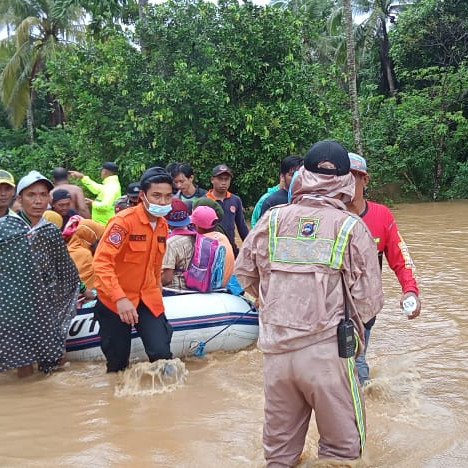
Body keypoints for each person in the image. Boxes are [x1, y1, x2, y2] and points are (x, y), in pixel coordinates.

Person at [235, 140, 384, 465]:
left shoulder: (271, 221)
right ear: (346, 181)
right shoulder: (350, 228)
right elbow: (369, 302)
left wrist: (272, 303)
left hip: (275, 355)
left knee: (279, 454)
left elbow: (244, 273)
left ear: (302, 175)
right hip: (328, 356)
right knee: (342, 453)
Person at [347, 152, 421, 385]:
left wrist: (410, 290)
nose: (346, 184)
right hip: (329, 306)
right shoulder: (328, 216)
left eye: (353, 177)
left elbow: (401, 258)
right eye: (341, 177)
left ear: (365, 180)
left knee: (356, 363)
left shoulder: (381, 216)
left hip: (364, 308)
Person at [92, 167, 174, 372]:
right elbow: (102, 262)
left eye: (167, 196)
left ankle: (164, 402)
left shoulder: (163, 226)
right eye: (156, 196)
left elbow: (155, 266)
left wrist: (157, 292)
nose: (163, 202)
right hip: (115, 300)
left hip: (147, 298)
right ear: (142, 196)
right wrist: (119, 298)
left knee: (162, 354)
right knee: (118, 364)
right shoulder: (123, 223)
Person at [4, 170, 79, 376]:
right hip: (14, 305)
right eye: (31, 195)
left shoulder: (51, 231)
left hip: (46, 302)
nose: (38, 201)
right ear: (19, 198)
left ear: (49, 198)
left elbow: (64, 268)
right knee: (23, 362)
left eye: (43, 195)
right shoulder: (6, 228)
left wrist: (81, 288)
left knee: (56, 358)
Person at [206, 164, 249, 256]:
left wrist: (250, 246)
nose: (223, 182)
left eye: (226, 179)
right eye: (220, 179)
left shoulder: (235, 200)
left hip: (230, 249)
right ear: (212, 180)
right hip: (210, 249)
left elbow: (241, 226)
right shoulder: (205, 201)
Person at [190, 205, 234, 287]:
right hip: (228, 285)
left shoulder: (201, 241)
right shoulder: (223, 237)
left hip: (212, 287)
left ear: (196, 225)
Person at [161, 198, 196, 291]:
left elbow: (167, 278)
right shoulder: (195, 236)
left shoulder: (170, 243)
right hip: (193, 288)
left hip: (175, 290)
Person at [67, 219, 105, 289]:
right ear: (91, 237)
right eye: (98, 240)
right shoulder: (85, 254)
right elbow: (85, 283)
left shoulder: (68, 247)